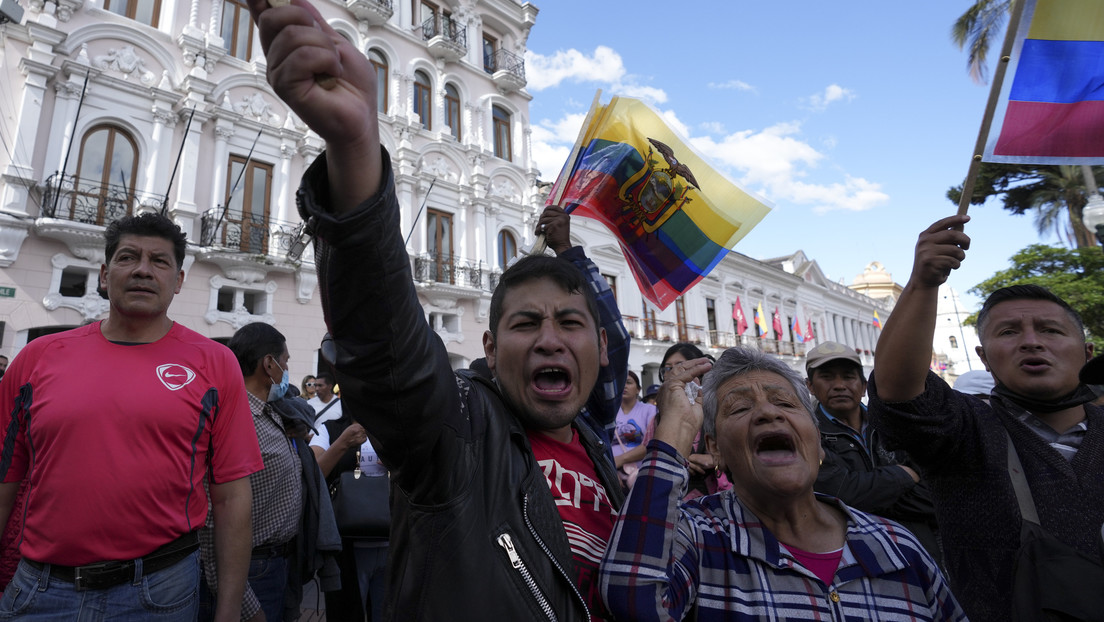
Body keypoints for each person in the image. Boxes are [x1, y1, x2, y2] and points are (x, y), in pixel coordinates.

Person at [248, 2, 629, 620]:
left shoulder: (596, 444)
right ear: (489, 348)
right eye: (525, 323)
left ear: (601, 348)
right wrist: (355, 149)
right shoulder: (460, 433)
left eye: (570, 322)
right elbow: (387, 350)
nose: (550, 339)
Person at [0, 212, 262, 621]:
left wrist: (229, 608)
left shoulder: (216, 363)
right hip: (41, 592)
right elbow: (5, 481)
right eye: (128, 257)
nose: (143, 269)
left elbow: (231, 497)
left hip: (160, 593)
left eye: (159, 261)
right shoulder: (38, 357)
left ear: (178, 280)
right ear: (105, 275)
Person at [599, 347, 965, 620]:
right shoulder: (697, 536)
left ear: (817, 441)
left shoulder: (896, 546)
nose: (767, 412)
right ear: (716, 449)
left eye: (786, 404)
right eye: (740, 408)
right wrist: (673, 436)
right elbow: (634, 599)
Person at [868, 214, 1104, 622]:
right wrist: (923, 283)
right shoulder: (964, 431)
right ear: (984, 358)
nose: (1031, 342)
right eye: (1009, 332)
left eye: (1051, 330)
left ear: (1087, 353)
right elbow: (899, 391)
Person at [200, 322, 305, 621]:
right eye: (285, 361)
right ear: (269, 364)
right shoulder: (235, 418)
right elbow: (212, 522)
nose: (287, 370)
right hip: (251, 573)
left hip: (276, 565)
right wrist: (242, 605)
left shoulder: (271, 413)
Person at [804, 341, 941, 562]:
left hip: (922, 552)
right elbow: (838, 493)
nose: (839, 385)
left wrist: (865, 498)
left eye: (848, 377)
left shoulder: (896, 424)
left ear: (864, 386)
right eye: (827, 377)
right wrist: (904, 475)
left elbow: (935, 493)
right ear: (810, 386)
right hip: (856, 558)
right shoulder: (807, 435)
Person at [310, 409, 387, 621]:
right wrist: (342, 443)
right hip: (345, 546)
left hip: (393, 542)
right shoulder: (329, 429)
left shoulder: (395, 428)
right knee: (345, 612)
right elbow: (311, 475)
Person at [612, 371, 657, 491]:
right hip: (613, 476)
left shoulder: (650, 410)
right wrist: (610, 469)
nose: (624, 386)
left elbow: (651, 444)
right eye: (621, 382)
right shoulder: (609, 413)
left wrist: (619, 460)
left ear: (638, 389)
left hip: (641, 475)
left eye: (628, 382)